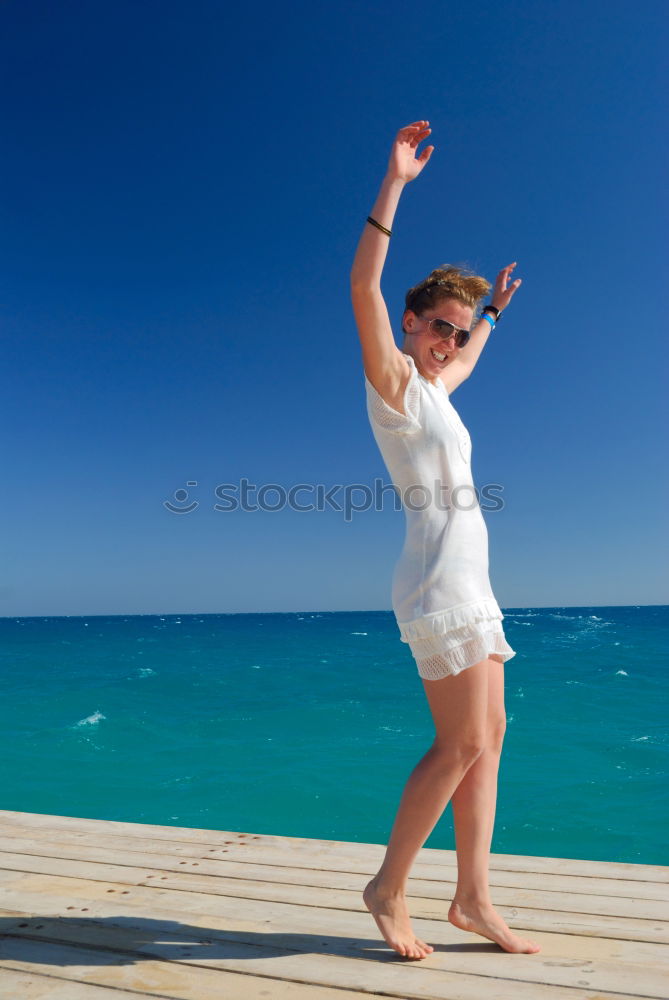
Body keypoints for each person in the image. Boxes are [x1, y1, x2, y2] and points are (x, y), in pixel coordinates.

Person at [350, 121, 541, 960]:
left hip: (476, 586)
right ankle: (387, 889)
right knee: (457, 741)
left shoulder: (442, 386)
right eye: (440, 327)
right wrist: (394, 185)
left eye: (459, 332)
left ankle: (471, 898)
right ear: (411, 321)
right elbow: (361, 282)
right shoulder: (394, 382)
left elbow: (475, 358)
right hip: (436, 584)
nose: (449, 342)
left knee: (489, 740)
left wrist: (492, 309)